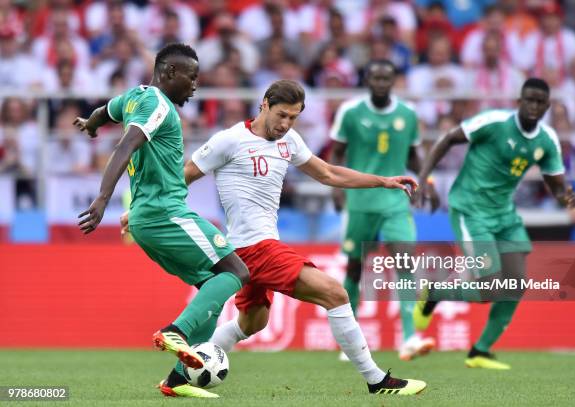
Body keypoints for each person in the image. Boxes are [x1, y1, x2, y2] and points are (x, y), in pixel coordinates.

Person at [125, 79, 427, 396]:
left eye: (293, 118)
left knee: (253, 321)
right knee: (335, 293)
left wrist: (383, 181)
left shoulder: (290, 141)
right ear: (265, 104)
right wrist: (141, 209)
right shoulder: (229, 140)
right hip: (254, 247)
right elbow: (181, 176)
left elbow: (328, 173)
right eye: (281, 115)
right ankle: (377, 380)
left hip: (247, 252)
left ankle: (177, 379)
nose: (285, 124)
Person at [74, 43, 250, 399]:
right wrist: (102, 199)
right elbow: (125, 146)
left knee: (210, 287)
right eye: (192, 77)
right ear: (170, 72)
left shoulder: (135, 98)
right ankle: (177, 332)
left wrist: (90, 125)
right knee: (237, 271)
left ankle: (178, 380)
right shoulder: (157, 105)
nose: (196, 85)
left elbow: (103, 113)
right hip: (166, 213)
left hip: (145, 219)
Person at [411, 78, 575, 369]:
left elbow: (556, 183)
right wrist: (425, 179)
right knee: (490, 287)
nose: (533, 105)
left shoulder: (546, 140)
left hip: (504, 215)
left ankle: (480, 351)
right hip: (470, 210)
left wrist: (566, 196)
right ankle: (435, 292)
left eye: (539, 101)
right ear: (519, 100)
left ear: (547, 106)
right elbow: (449, 138)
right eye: (528, 99)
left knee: (515, 285)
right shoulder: (494, 122)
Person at [329, 59, 438, 361]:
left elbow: (414, 157)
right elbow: (336, 153)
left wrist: (427, 180)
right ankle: (350, 343)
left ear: (394, 81)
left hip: (394, 199)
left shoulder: (408, 114)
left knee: (404, 260)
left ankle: (410, 338)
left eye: (386, 78)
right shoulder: (350, 112)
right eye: (375, 77)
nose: (380, 83)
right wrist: (337, 189)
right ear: (367, 80)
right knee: (355, 267)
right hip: (360, 200)